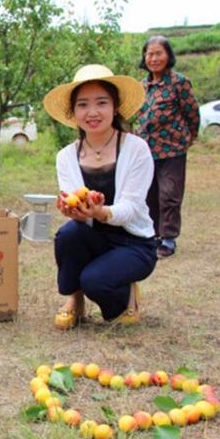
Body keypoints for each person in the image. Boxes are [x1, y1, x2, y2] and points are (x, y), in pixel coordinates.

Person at [43, 64, 158, 329]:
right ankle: (75, 301)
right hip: (94, 237)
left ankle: (127, 293)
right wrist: (73, 209)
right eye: (83, 104)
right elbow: (73, 198)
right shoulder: (66, 156)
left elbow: (131, 207)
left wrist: (101, 212)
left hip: (134, 244)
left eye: (101, 102)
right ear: (74, 112)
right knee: (68, 233)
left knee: (95, 280)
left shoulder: (136, 149)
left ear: (115, 106)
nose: (92, 112)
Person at [136, 36, 200, 259]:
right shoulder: (142, 86)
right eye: (149, 54)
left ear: (168, 56)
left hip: (172, 149)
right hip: (146, 151)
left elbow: (192, 112)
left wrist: (189, 137)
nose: (153, 58)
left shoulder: (179, 82)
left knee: (169, 194)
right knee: (149, 194)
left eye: (158, 53)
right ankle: (153, 235)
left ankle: (169, 238)